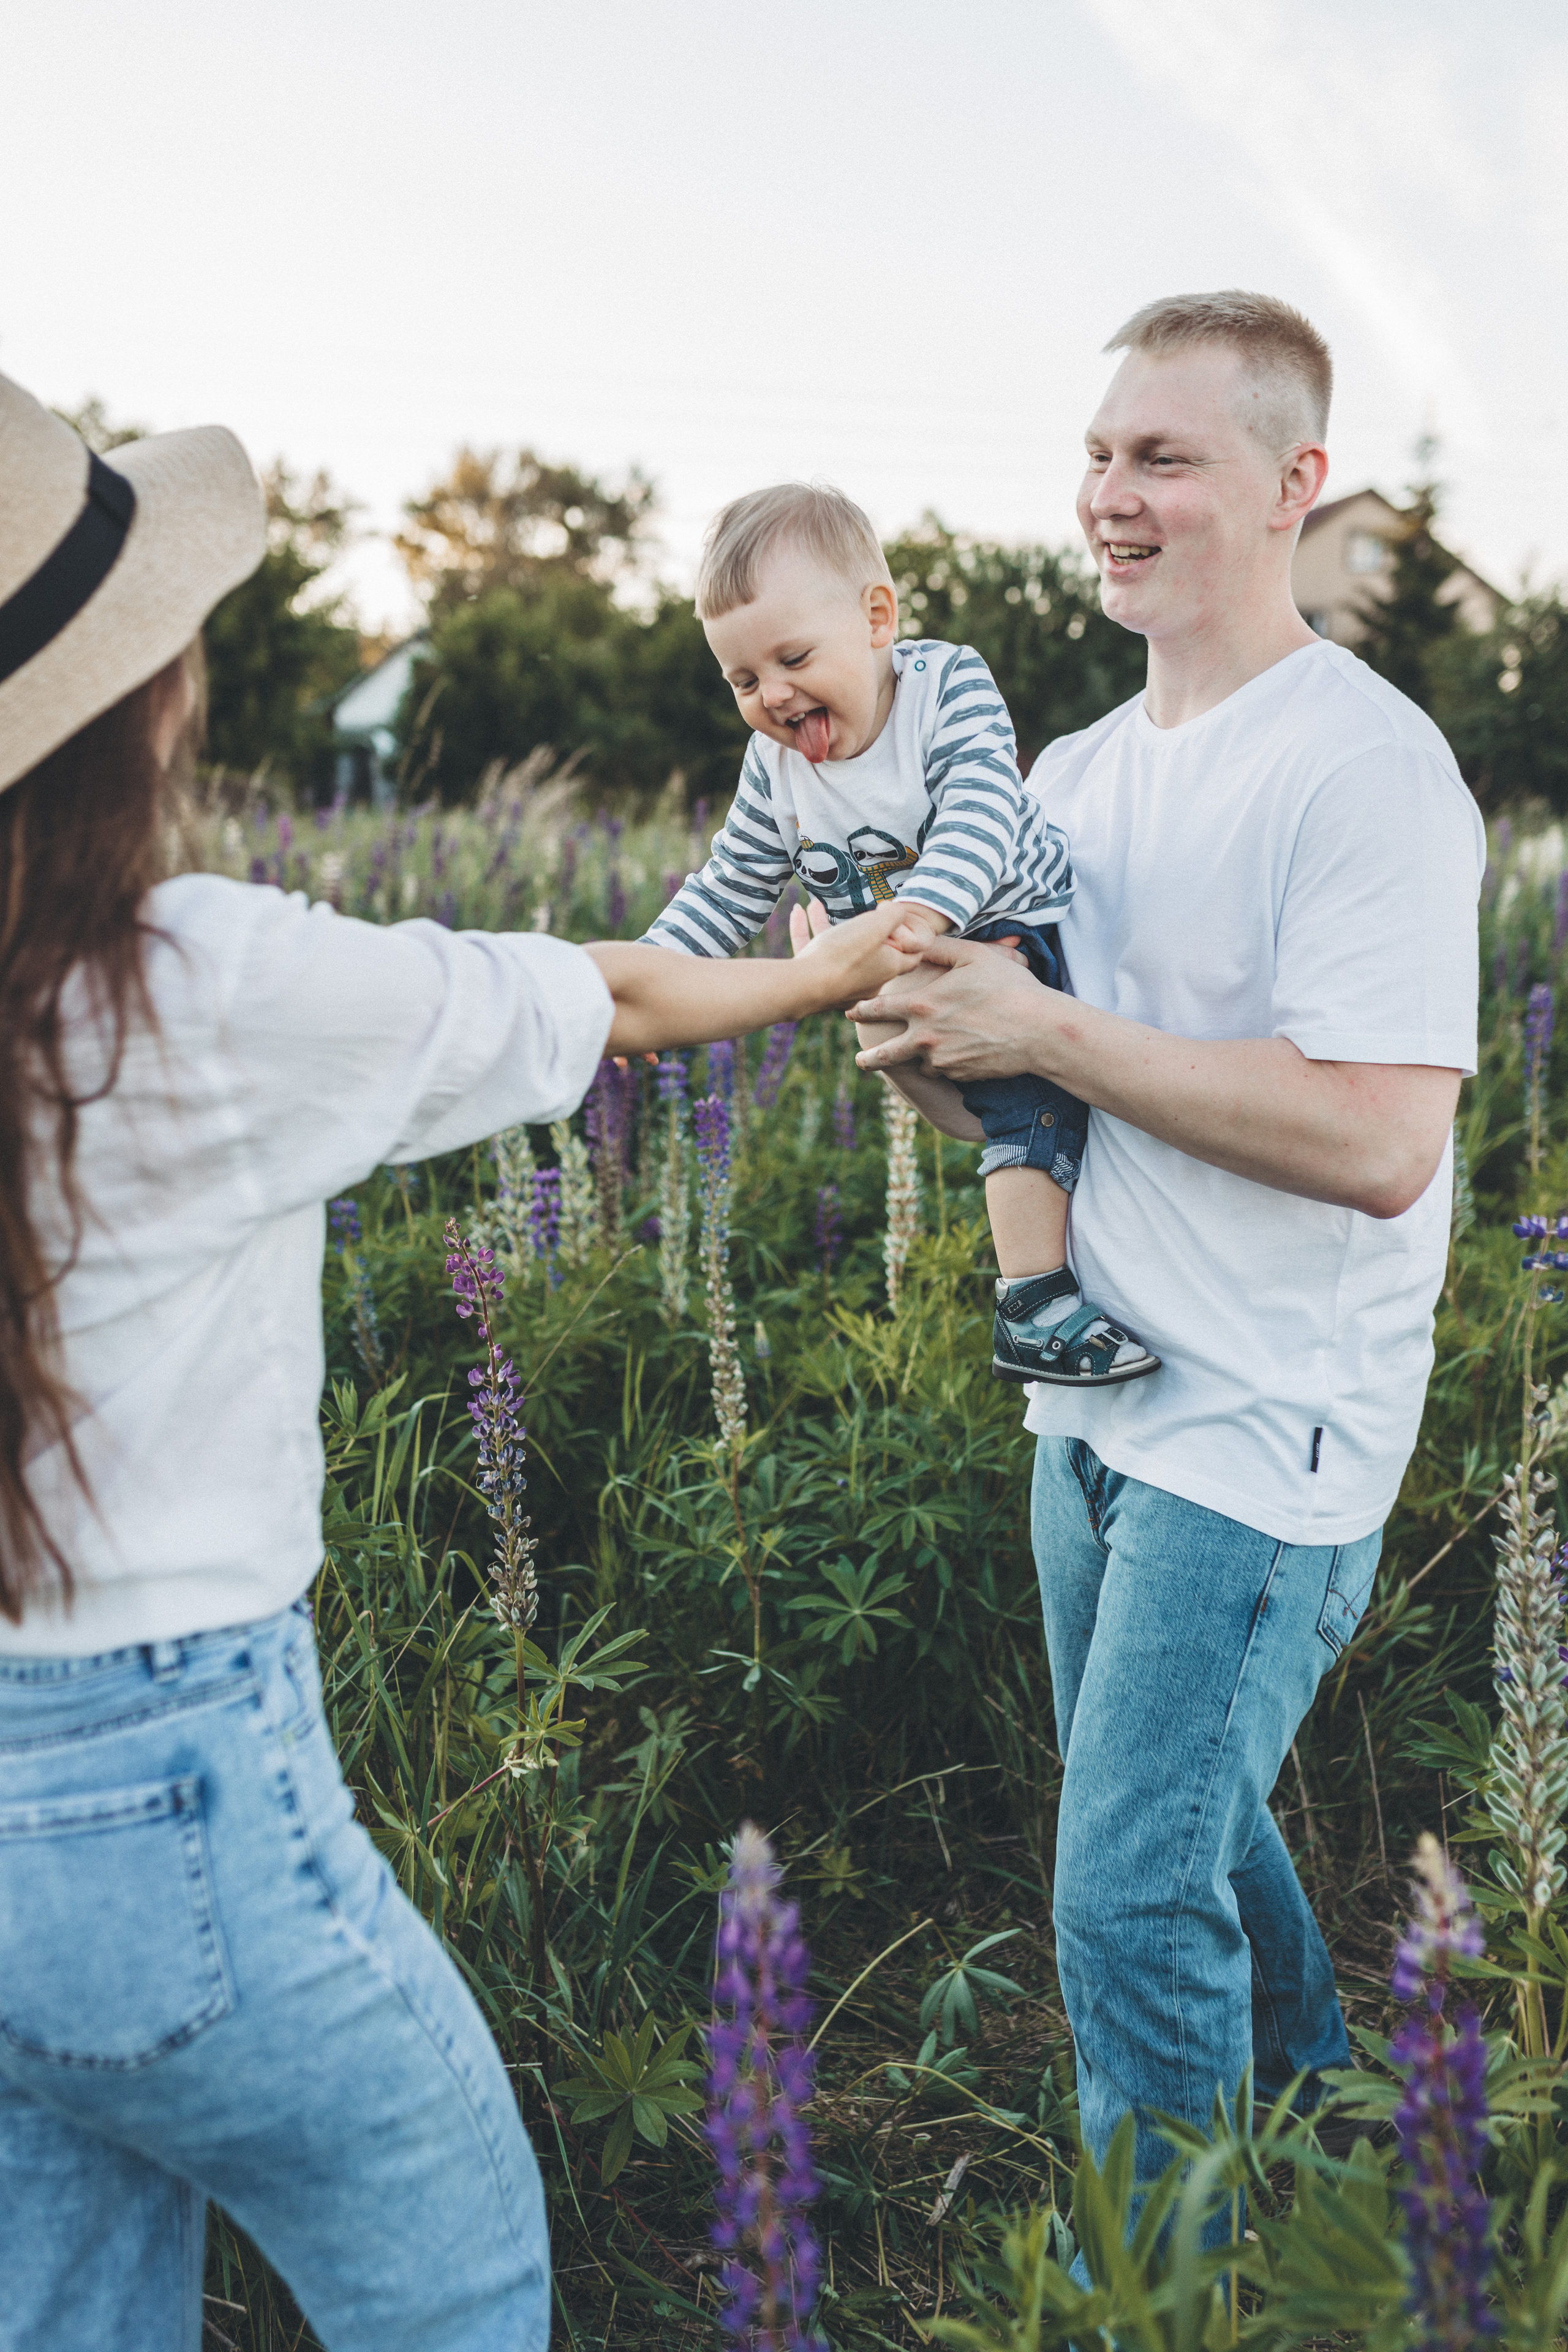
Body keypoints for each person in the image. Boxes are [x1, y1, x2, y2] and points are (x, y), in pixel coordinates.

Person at [0, 373, 918, 2352]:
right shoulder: (196, 984)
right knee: (466, 2285)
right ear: (130, 710)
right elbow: (614, 1001)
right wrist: (841, 965)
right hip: (172, 1788)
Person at [846, 292, 1484, 2213]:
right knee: (1182, 1831)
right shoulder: (1066, 776)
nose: (1107, 497)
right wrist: (929, 1048)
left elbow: (1380, 1142)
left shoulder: (1365, 768)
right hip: (1098, 1400)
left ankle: (1171, 2294)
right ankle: (1347, 2132)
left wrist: (1040, 1032)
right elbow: (1044, 1111)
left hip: (1268, 1426)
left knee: (1126, 1892)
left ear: (1293, 487)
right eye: (1102, 454)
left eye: (1164, 459)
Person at [646, 482, 1159, 1387]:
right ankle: (1038, 1289)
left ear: (877, 618)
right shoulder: (774, 767)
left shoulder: (943, 687)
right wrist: (645, 982)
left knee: (1032, 1085)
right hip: (895, 955)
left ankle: (1032, 1295)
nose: (772, 693)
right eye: (741, 679)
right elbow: (728, 885)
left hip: (1003, 920)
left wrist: (914, 920)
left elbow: (982, 804)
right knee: (971, 1087)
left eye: (793, 656)